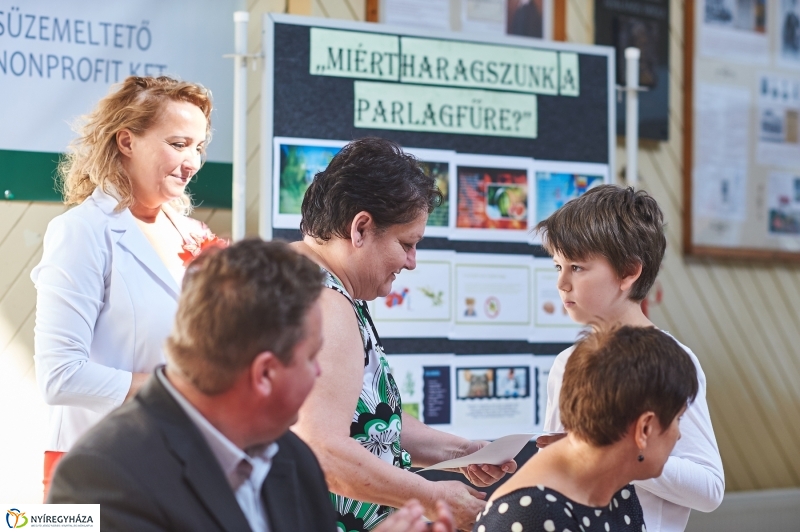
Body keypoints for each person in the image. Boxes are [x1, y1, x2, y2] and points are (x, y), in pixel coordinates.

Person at [48, 239, 455, 532]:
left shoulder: (292, 457)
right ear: (264, 375)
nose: (319, 374)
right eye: (312, 357)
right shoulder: (100, 478)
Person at [291, 137, 516, 532]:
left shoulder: (302, 275)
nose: (411, 263)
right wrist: (432, 498)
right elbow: (322, 450)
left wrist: (460, 450)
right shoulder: (326, 303)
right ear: (360, 228)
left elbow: (367, 420)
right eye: (406, 244)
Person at [30, 75, 221, 498]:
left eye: (199, 147)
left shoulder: (192, 234)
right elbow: (59, 378)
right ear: (127, 141)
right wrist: (182, 387)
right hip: (92, 473)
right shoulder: (81, 232)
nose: (192, 161)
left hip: (180, 467)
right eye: (178, 143)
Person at [534, 185, 725, 532]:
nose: (562, 283)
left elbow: (710, 488)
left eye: (577, 267)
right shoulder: (567, 363)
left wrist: (617, 453)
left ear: (628, 272)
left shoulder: (671, 361)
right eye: (558, 266)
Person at [474, 326, 699, 532]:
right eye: (677, 419)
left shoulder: (616, 489)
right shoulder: (530, 516)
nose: (678, 435)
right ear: (644, 429)